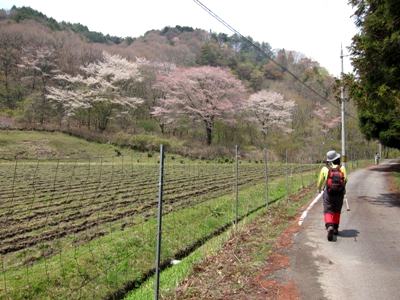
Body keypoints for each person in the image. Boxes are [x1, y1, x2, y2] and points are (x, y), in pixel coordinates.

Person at [317, 150, 347, 241]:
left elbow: (320, 181)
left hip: (328, 193)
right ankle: (335, 228)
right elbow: (345, 179)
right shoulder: (342, 168)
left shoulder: (325, 169)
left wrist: (319, 189)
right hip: (339, 193)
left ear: (329, 160)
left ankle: (330, 226)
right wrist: (343, 188)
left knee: (328, 209)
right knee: (337, 210)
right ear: (337, 159)